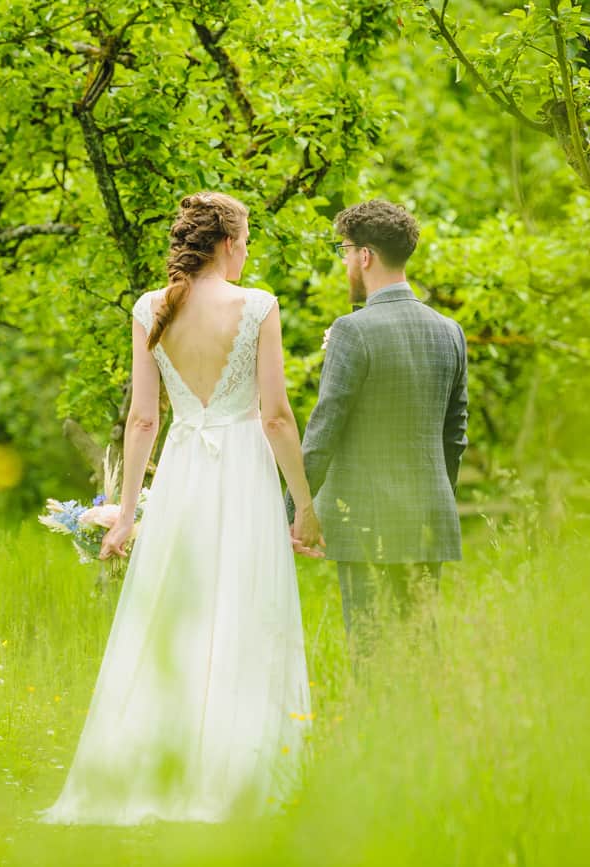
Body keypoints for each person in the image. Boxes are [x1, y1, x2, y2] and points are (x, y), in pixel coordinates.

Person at [39, 192, 321, 825]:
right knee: (244, 610)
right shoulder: (258, 307)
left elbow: (143, 419)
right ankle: (237, 776)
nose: (246, 254)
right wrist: (303, 505)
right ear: (227, 243)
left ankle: (154, 767)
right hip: (244, 472)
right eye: (245, 241)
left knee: (172, 615)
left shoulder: (150, 309)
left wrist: (130, 512)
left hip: (185, 473)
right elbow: (276, 417)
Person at [298, 199, 468, 663]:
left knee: (371, 657)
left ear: (365, 255)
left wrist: (295, 507)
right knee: (421, 653)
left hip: (365, 521)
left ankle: (377, 732)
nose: (346, 262)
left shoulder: (352, 331)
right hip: (428, 519)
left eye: (345, 251)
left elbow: (324, 429)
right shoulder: (450, 331)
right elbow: (456, 436)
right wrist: (432, 496)